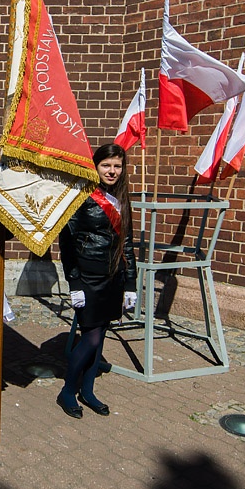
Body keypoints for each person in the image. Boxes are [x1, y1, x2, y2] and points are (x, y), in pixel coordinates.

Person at [57, 143, 137, 419]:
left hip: (113, 277)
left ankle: (88, 391)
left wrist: (130, 284)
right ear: (96, 166)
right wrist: (75, 284)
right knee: (90, 338)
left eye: (117, 166)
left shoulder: (122, 197)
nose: (112, 171)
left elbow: (127, 243)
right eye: (106, 165)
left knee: (100, 336)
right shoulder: (81, 196)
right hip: (88, 277)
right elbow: (66, 244)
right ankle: (68, 390)